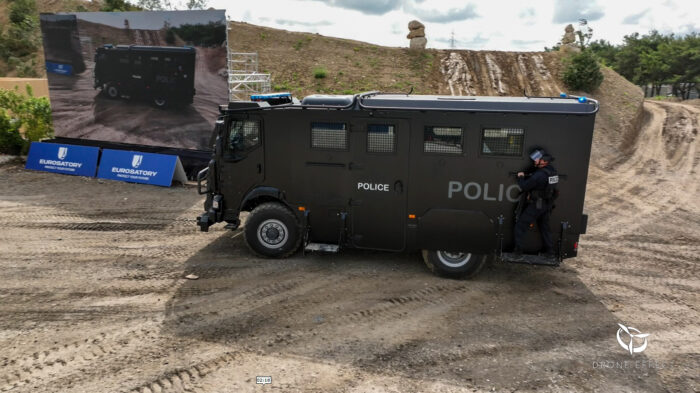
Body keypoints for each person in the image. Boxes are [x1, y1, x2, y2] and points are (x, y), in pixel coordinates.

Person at [513, 149, 558, 258]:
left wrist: (520, 177)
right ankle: (550, 252)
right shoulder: (552, 171)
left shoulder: (539, 175)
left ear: (544, 161)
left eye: (537, 159)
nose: (534, 161)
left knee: (520, 226)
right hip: (547, 204)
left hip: (537, 205)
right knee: (544, 227)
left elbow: (524, 186)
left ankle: (518, 253)